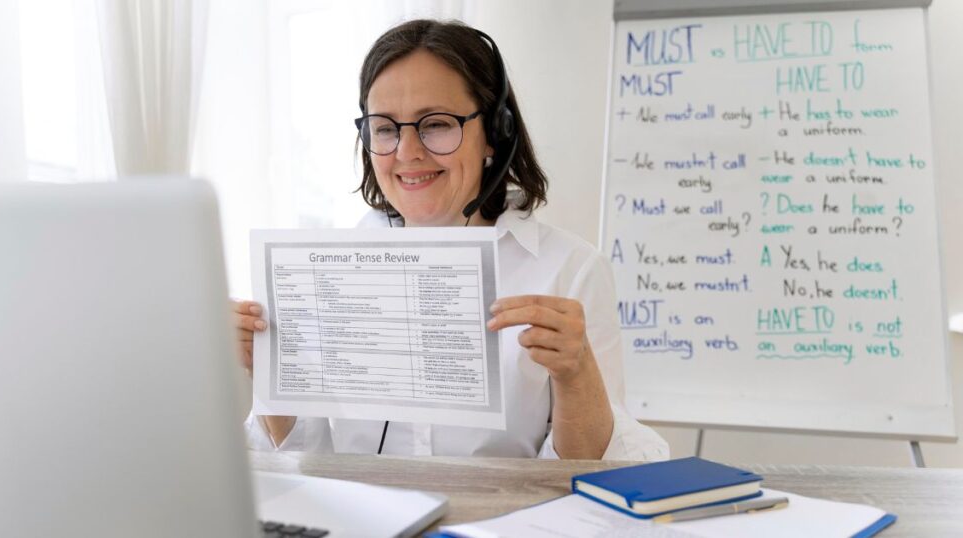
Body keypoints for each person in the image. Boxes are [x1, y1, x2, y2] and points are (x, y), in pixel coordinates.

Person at [233, 19, 668, 461]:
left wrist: (576, 376)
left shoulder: (570, 270)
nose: (406, 151)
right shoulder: (323, 274)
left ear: (494, 134)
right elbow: (308, 458)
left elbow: (587, 473)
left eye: (436, 124)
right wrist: (268, 367)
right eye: (385, 128)